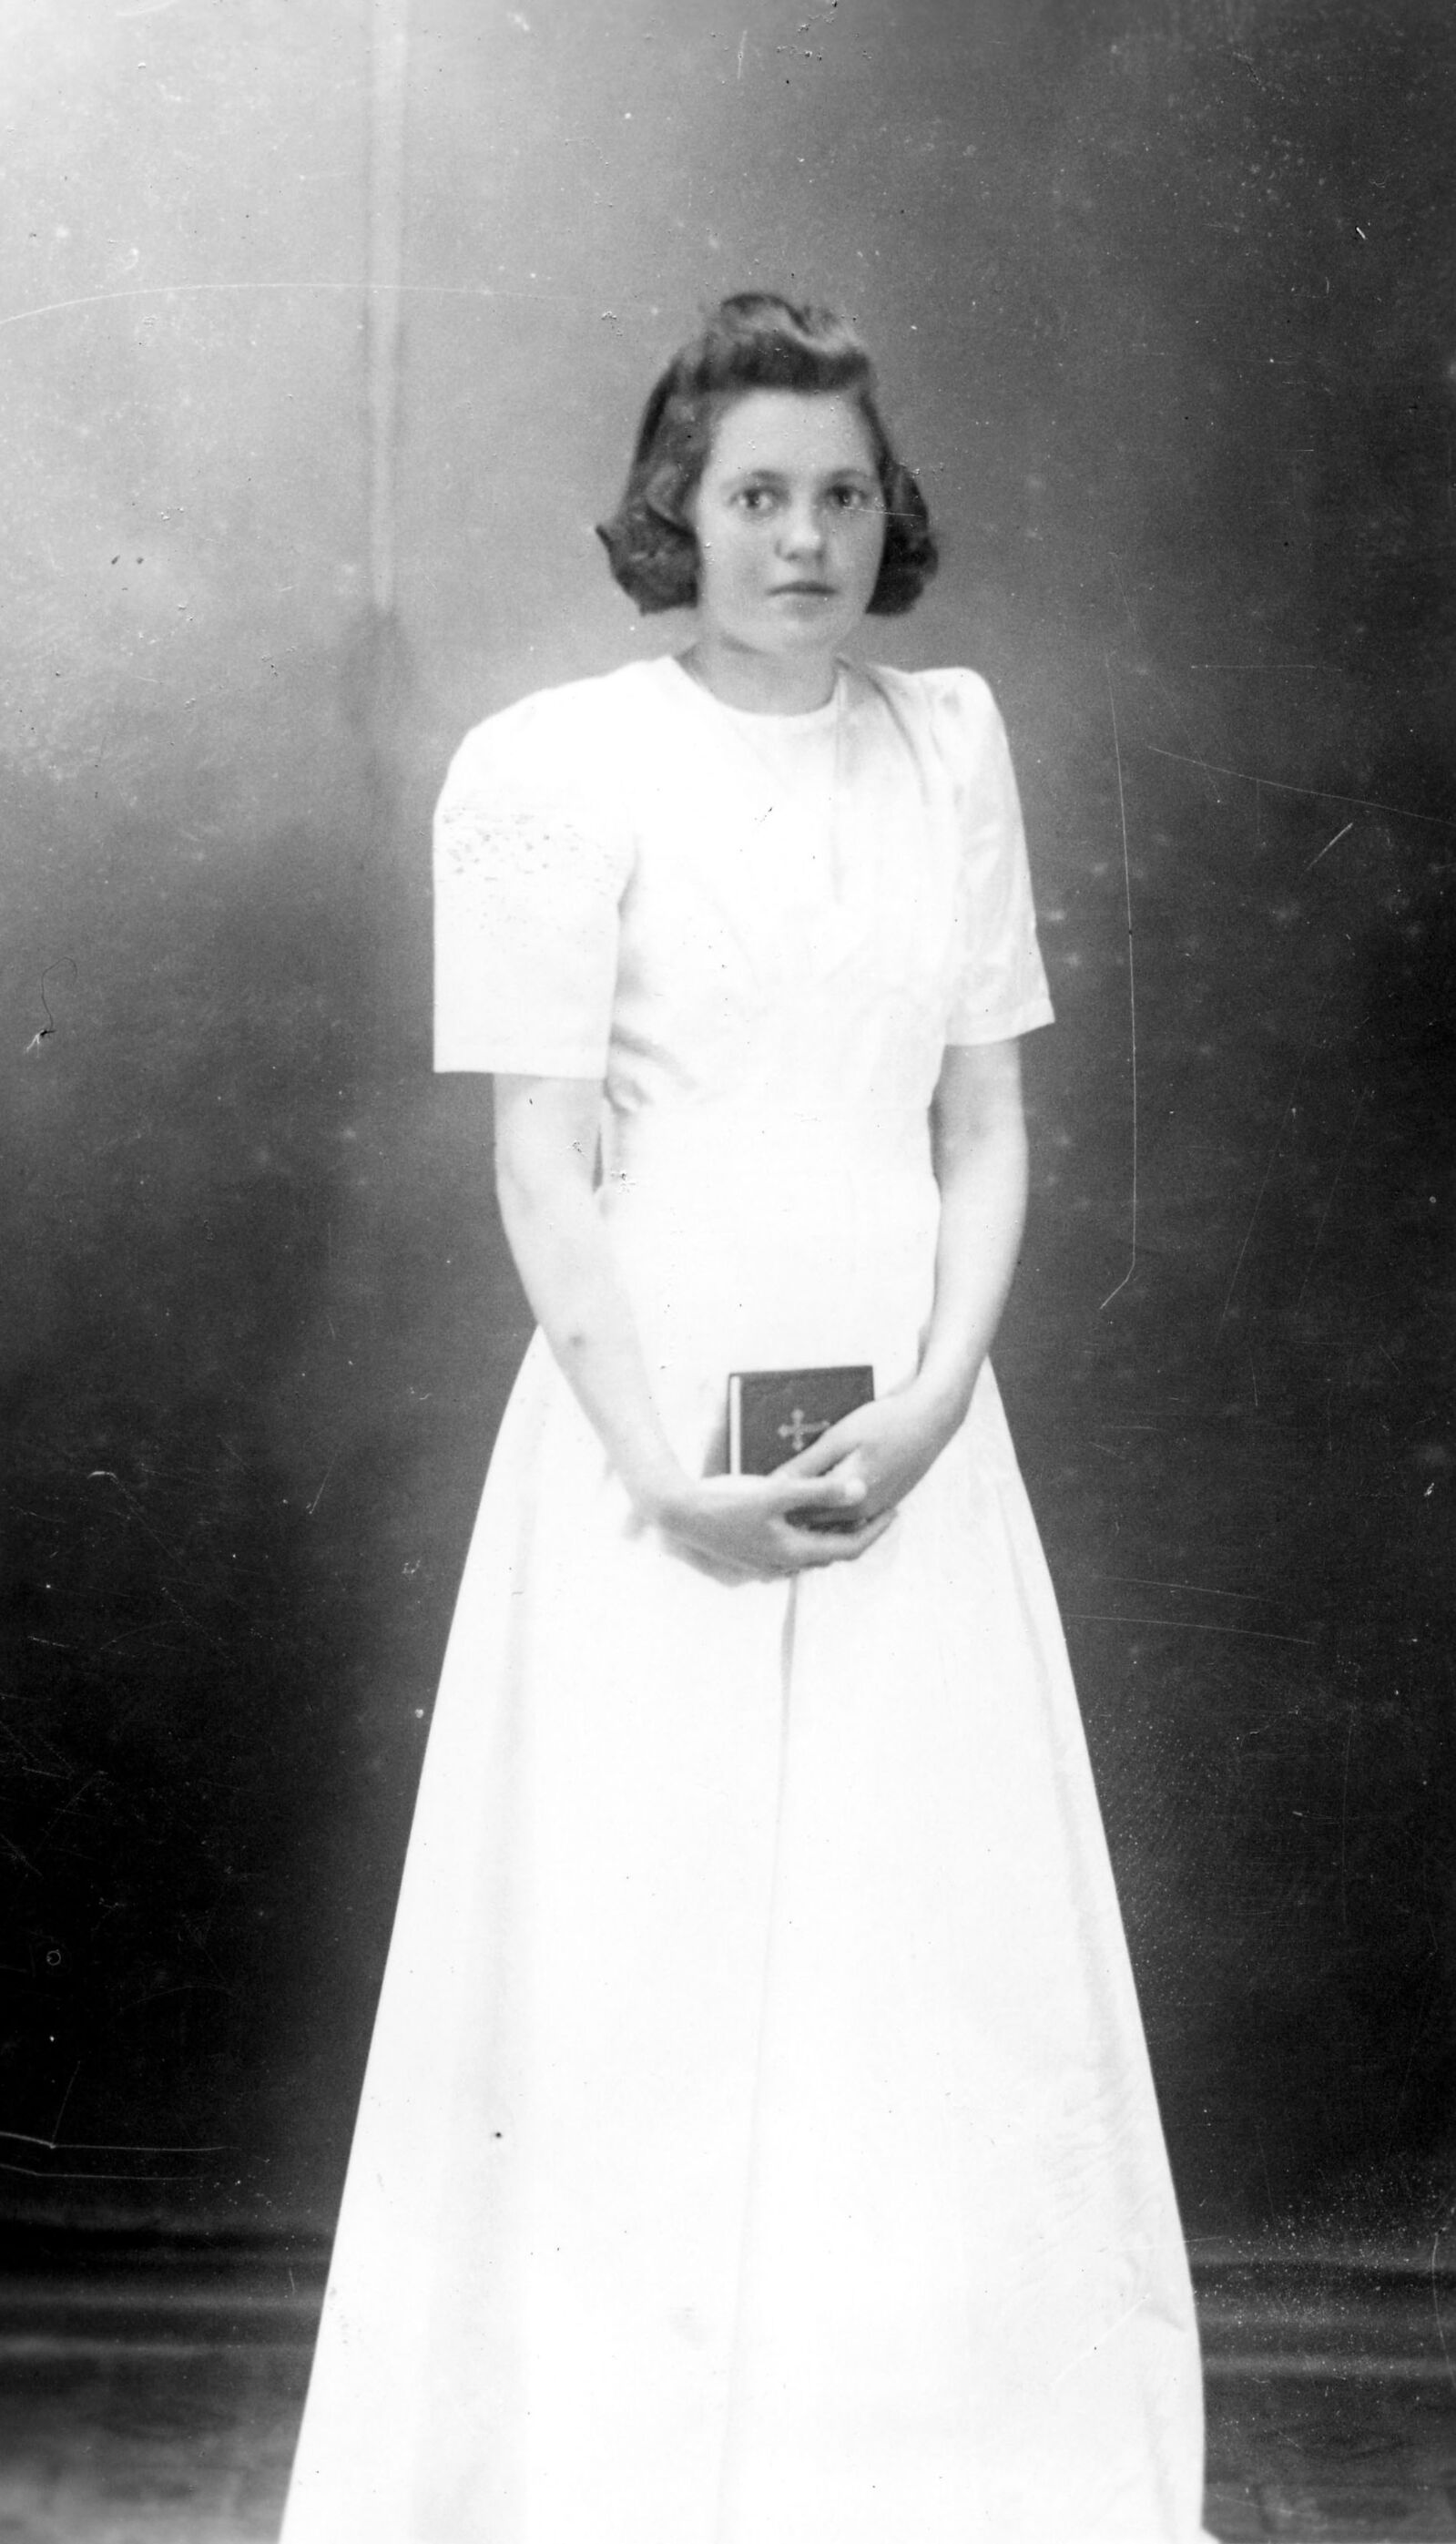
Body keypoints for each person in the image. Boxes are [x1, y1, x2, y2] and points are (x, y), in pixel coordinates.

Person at [280, 291, 1212, 2544]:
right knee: (639, 1965)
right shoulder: (552, 766)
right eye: (757, 494)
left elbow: (982, 1123)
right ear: (673, 515)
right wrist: (659, 1475)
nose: (804, 538)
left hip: (907, 1430)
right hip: (649, 1426)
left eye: (841, 494)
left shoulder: (948, 742)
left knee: (917, 1962)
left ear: (888, 516)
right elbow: (541, 1161)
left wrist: (939, 1389)